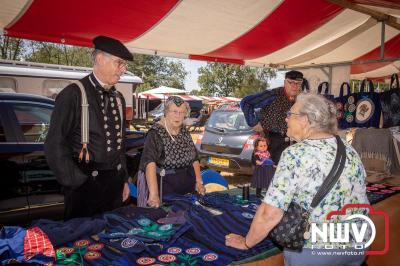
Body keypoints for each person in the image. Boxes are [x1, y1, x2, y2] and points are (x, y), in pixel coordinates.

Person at [226, 93, 369, 266]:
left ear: (306, 119)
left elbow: (269, 213)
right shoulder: (348, 149)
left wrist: (246, 242)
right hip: (356, 243)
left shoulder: (295, 154)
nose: (286, 119)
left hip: (316, 250)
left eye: (290, 114)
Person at [45, 36, 132, 219]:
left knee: (112, 238)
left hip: (113, 186)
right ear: (100, 59)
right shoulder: (73, 94)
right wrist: (76, 182)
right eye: (119, 63)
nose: (123, 70)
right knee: (82, 243)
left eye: (123, 65)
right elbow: (54, 144)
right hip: (84, 186)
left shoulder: (118, 98)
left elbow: (120, 144)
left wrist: (123, 180)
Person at [137, 96, 206, 208]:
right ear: (166, 112)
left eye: (181, 112)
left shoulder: (184, 131)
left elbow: (194, 158)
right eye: (174, 111)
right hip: (165, 188)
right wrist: (154, 195)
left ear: (185, 114)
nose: (177, 115)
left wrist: (199, 182)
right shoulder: (155, 133)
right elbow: (149, 163)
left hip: (188, 187)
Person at [241, 70, 303, 163]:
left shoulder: (300, 98)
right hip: (271, 140)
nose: (294, 86)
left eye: (298, 83)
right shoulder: (272, 94)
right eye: (291, 83)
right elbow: (245, 102)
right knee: (267, 170)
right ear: (285, 82)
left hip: (290, 141)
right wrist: (253, 123)